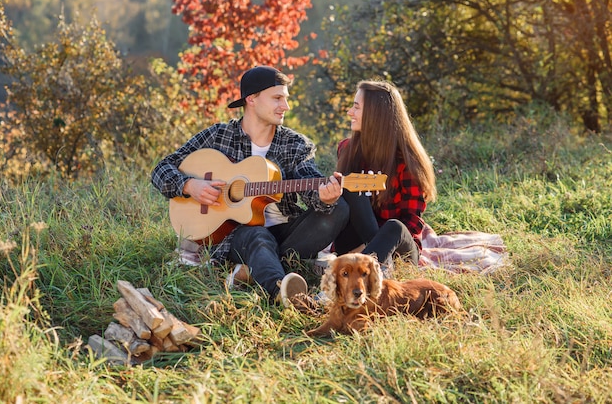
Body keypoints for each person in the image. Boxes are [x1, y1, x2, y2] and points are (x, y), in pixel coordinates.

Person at [151, 66, 349, 307]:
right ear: (252, 99)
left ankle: (256, 266)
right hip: (241, 234)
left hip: (287, 233)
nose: (285, 106)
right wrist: (190, 185)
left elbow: (309, 180)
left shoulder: (296, 144)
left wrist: (325, 198)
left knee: (339, 208)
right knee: (256, 234)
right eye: (277, 98)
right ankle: (283, 292)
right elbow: (162, 168)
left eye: (285, 99)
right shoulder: (218, 135)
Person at [333, 80, 437, 276]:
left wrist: (375, 245)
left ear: (376, 115)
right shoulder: (347, 149)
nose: (350, 112)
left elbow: (412, 222)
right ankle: (369, 267)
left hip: (398, 251)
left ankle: (360, 274)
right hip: (358, 244)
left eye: (356, 107)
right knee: (349, 191)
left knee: (394, 227)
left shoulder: (407, 161)